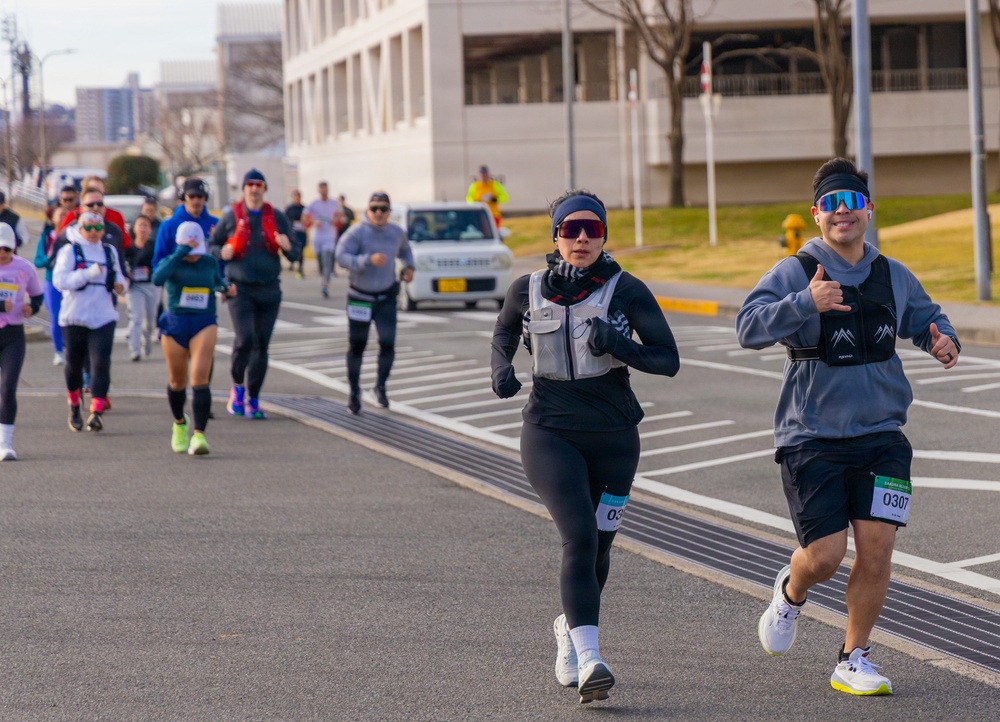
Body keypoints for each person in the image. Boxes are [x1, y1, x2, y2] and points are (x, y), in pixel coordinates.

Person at [735, 157, 962, 697]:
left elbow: (928, 316)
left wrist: (941, 338)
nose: (843, 213)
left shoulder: (892, 274)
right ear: (816, 215)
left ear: (868, 210)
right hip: (811, 437)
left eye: (852, 202)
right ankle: (791, 592)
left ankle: (853, 657)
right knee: (826, 557)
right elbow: (747, 327)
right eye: (831, 204)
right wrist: (802, 302)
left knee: (878, 549)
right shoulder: (795, 270)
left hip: (883, 437)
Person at [490, 190, 679, 703]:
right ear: (555, 236)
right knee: (578, 536)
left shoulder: (627, 290)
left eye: (591, 229)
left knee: (599, 547)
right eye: (570, 228)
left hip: (616, 439)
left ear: (603, 237)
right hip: (550, 431)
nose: (580, 238)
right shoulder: (526, 288)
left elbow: (668, 359)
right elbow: (504, 332)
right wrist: (501, 369)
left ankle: (569, 630)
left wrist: (619, 345)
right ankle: (593, 657)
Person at [209, 168, 296, 419]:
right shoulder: (231, 216)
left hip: (269, 289)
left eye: (259, 184)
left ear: (264, 189)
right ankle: (238, 387)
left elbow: (295, 252)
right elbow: (212, 244)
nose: (254, 188)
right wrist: (221, 251)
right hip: (240, 288)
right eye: (250, 184)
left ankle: (254, 398)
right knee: (244, 340)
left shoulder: (277, 217)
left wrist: (288, 248)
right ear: (244, 188)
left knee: (261, 345)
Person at [153, 221, 234, 455]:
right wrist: (181, 252)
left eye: (197, 252)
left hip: (204, 322)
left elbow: (217, 282)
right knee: (177, 381)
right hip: (176, 324)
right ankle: (179, 423)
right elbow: (158, 279)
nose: (194, 257)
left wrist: (227, 288)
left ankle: (199, 435)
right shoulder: (172, 261)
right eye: (191, 253)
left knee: (200, 378)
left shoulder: (209, 262)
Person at [335, 191, 414, 414]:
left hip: (386, 297)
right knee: (357, 346)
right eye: (374, 208)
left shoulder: (396, 232)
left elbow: (406, 251)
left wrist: (409, 267)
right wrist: (366, 260)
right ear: (367, 210)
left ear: (389, 211)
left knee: (388, 343)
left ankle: (380, 386)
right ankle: (353, 392)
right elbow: (340, 257)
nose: (378, 213)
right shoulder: (357, 232)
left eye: (383, 209)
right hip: (360, 297)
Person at [52, 212, 125, 433]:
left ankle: (96, 411)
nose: (93, 233)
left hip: (103, 315)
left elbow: (119, 276)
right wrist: (87, 273)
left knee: (100, 362)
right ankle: (74, 403)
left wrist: (121, 285)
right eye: (88, 228)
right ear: (80, 228)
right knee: (73, 364)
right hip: (75, 315)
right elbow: (59, 281)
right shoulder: (70, 251)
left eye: (98, 228)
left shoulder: (109, 251)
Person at [0, 223, 44, 459]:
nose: (2, 253)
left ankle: (5, 443)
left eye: (6, 248)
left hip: (13, 334)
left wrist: (32, 307)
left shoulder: (24, 268)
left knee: (7, 388)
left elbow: (38, 295)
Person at [152, 178, 217, 269]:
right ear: (184, 197)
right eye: (191, 196)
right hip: (178, 281)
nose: (196, 200)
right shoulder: (168, 225)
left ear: (205, 198)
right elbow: (158, 262)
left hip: (208, 281)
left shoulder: (216, 224)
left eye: (200, 196)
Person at [34, 205, 69, 365]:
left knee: (70, 317)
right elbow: (38, 260)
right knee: (55, 316)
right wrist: (49, 259)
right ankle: (59, 351)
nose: (63, 218)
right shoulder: (47, 236)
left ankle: (70, 347)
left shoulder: (74, 235)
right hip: (51, 281)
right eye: (60, 215)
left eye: (65, 215)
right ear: (52, 218)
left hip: (71, 281)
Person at [58, 176, 131, 249]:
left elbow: (124, 245)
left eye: (99, 204)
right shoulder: (72, 219)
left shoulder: (115, 219)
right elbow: (59, 242)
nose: (95, 208)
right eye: (90, 204)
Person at [126, 215, 158, 361]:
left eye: (145, 225)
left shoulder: (154, 245)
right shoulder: (128, 247)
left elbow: (160, 263)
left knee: (150, 321)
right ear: (134, 228)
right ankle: (134, 350)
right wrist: (128, 272)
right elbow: (122, 263)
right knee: (136, 317)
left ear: (150, 229)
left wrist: (150, 270)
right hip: (134, 286)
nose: (143, 229)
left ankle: (147, 338)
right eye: (140, 225)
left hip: (151, 284)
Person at [305, 181, 344, 298]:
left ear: (328, 190)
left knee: (327, 261)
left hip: (329, 236)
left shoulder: (334, 203)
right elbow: (304, 217)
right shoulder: (314, 203)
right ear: (318, 191)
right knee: (321, 263)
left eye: (325, 190)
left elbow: (341, 215)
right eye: (321, 190)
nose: (324, 192)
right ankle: (324, 277)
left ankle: (325, 286)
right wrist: (313, 222)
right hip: (317, 237)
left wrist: (336, 220)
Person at [284, 189, 308, 278]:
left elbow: (308, 219)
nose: (297, 199)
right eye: (295, 197)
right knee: (292, 249)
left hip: (301, 232)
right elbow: (285, 220)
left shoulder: (304, 208)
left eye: (298, 197)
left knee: (301, 251)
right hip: (292, 233)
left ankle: (300, 269)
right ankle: (291, 263)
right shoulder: (289, 209)